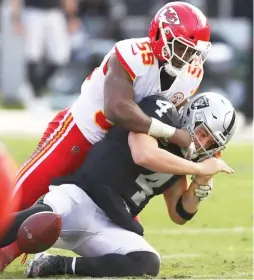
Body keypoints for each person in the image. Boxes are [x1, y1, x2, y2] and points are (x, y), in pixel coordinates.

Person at [0, 1, 211, 270]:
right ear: (161, 35)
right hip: (77, 135)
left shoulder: (192, 75)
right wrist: (173, 134)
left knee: (118, 233)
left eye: (194, 50)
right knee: (15, 200)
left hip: (111, 156)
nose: (188, 56)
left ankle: (47, 262)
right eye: (183, 47)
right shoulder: (132, 53)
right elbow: (117, 109)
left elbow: (167, 120)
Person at [0, 92, 237, 277]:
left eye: (211, 142)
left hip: (110, 223)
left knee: (147, 261)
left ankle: (56, 265)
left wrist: (200, 185)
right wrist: (199, 169)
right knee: (42, 216)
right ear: (191, 115)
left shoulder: (187, 161)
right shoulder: (161, 111)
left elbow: (179, 213)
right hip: (81, 195)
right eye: (203, 132)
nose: (202, 142)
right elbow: (144, 154)